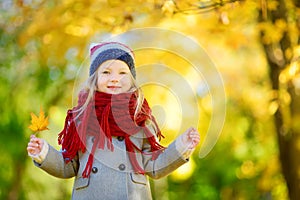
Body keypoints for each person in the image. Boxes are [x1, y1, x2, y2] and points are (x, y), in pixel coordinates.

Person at [27, 42, 200, 200]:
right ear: (94, 79)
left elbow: (154, 166)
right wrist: (44, 153)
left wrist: (181, 147)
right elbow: (68, 166)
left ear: (132, 80)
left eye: (123, 72)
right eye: (106, 72)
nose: (115, 78)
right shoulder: (82, 118)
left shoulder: (140, 120)